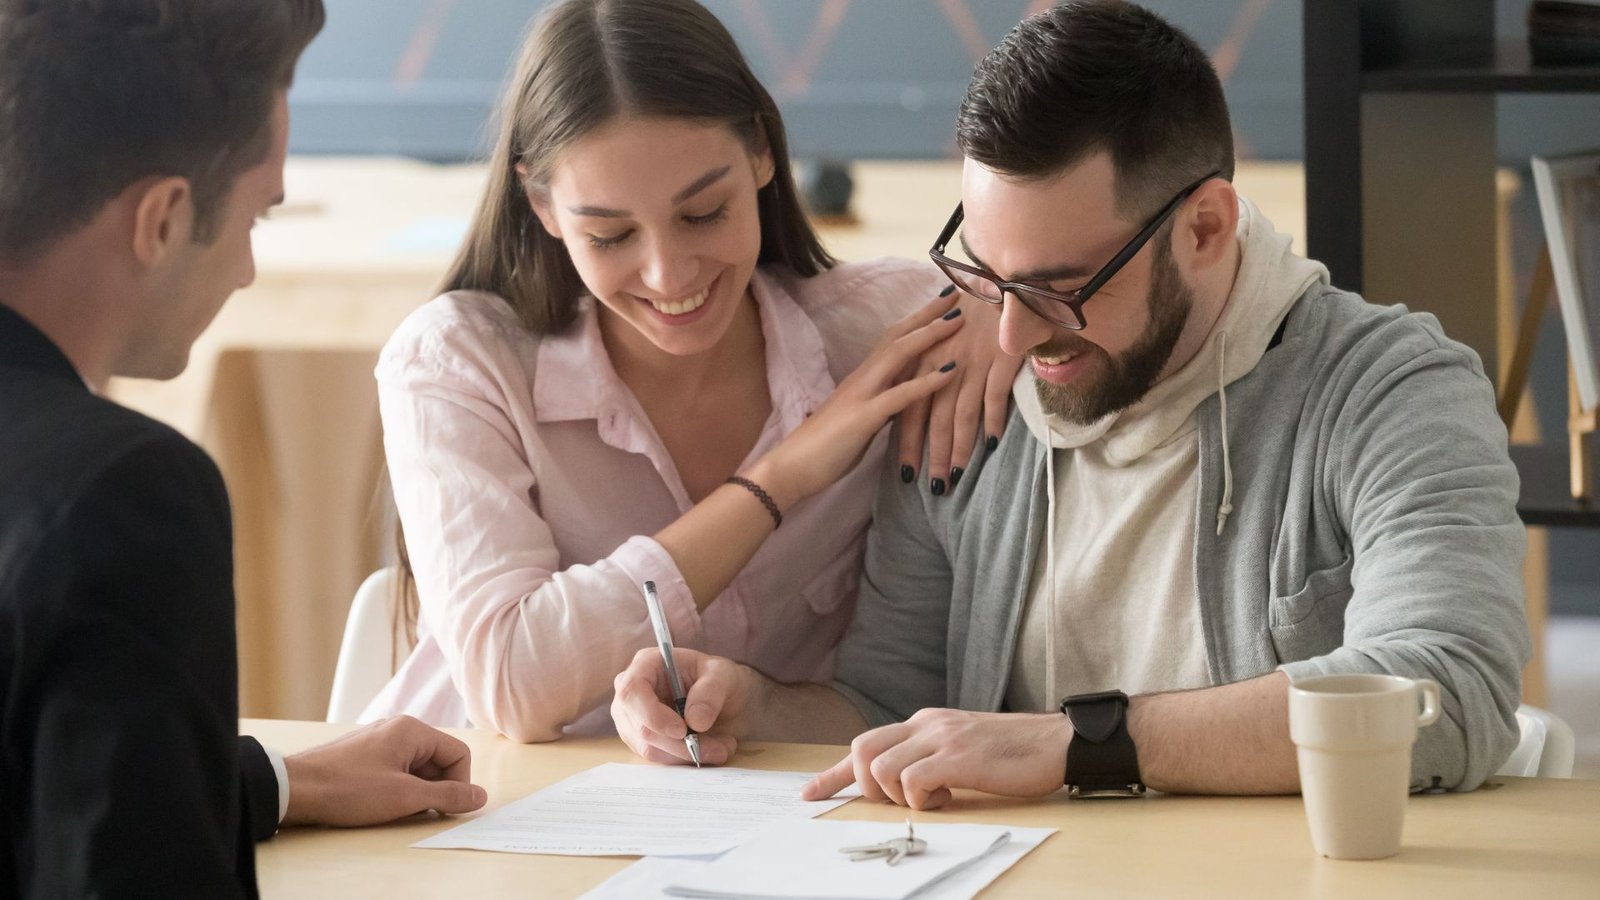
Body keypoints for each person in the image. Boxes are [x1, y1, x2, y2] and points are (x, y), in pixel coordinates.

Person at [611, 0, 1529, 806]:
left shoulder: (1389, 389)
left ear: (1205, 228)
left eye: (1058, 287)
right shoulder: (967, 404)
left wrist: (1077, 745)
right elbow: (895, 703)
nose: (1009, 338)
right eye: (987, 276)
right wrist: (757, 704)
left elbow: (1448, 691)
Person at [363, 0, 1015, 741]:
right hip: (477, 816)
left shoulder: (887, 332)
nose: (668, 274)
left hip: (779, 822)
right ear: (543, 205)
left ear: (763, 156)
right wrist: (781, 478)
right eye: (609, 234)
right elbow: (512, 685)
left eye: (704, 213)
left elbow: (1043, 294)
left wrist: (1000, 306)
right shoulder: (458, 361)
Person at [0, 2, 484, 896]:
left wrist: (282, 780)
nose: (248, 270)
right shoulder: (122, 492)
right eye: (258, 217)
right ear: (163, 219)